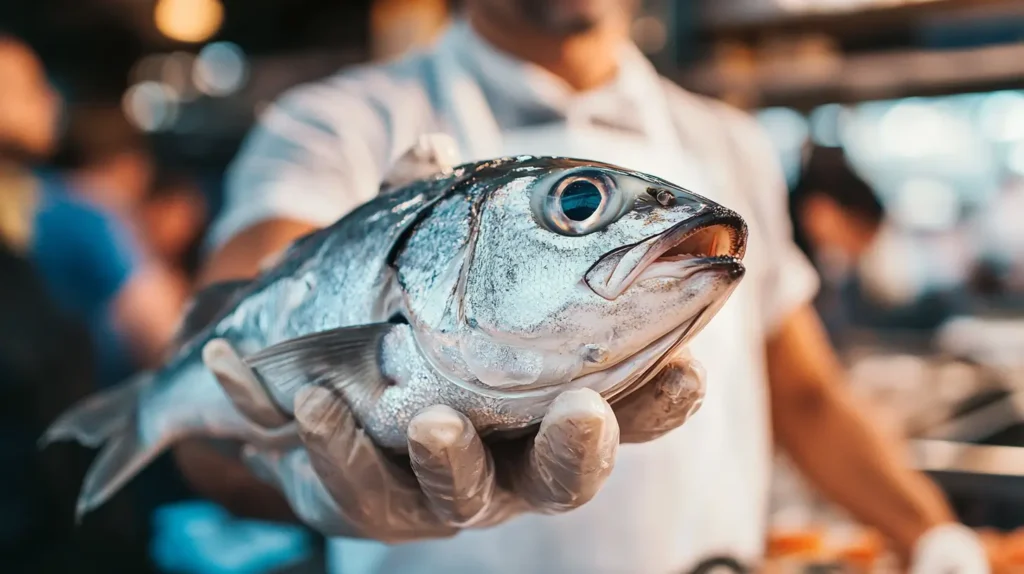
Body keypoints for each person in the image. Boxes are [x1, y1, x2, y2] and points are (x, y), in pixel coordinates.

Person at [182, 2, 990, 573]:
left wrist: (934, 538)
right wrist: (290, 457)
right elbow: (233, 325)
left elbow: (807, 397)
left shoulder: (726, 141)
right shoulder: (335, 124)